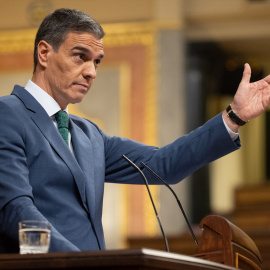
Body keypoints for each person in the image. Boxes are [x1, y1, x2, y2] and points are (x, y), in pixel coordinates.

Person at [0, 8, 270, 253]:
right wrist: (77, 261)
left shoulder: (88, 134)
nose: (91, 71)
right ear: (44, 53)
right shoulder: (8, 115)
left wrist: (234, 117)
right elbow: (16, 213)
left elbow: (163, 165)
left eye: (97, 62)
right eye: (80, 56)